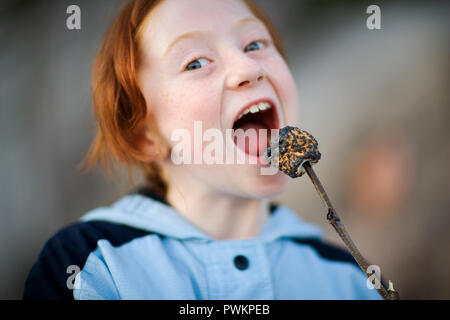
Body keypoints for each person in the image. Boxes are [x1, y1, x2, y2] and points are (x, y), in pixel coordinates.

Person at [23, 0, 382, 300]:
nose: (249, 67)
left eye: (255, 44)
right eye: (195, 62)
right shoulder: (91, 266)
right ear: (146, 136)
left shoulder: (345, 278)